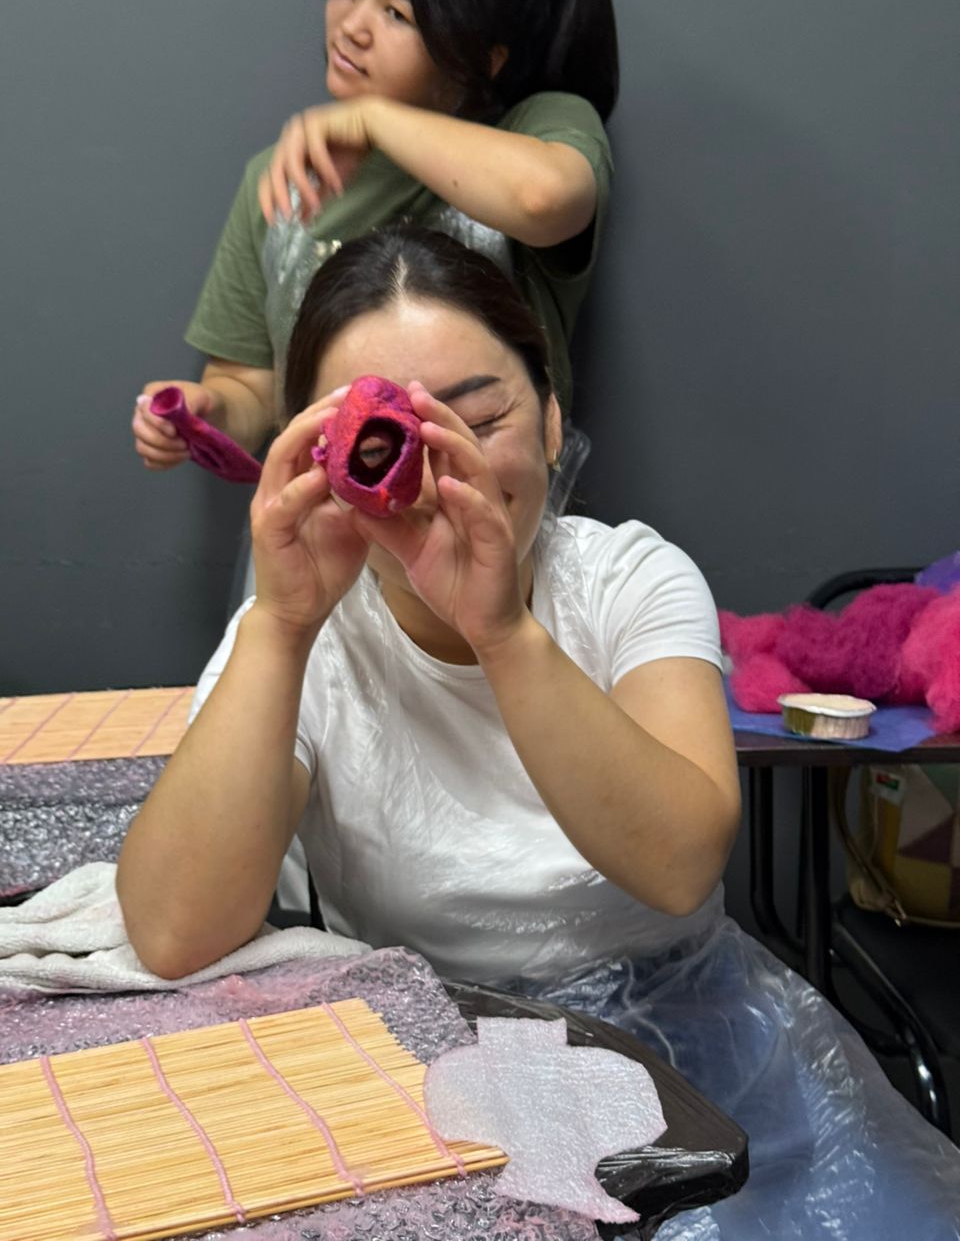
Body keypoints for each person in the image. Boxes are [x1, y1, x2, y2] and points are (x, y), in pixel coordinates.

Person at [117, 225, 960, 1241]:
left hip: (699, 1064)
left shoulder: (629, 581)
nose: (436, 466)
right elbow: (176, 931)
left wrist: (501, 630)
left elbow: (679, 863)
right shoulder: (306, 632)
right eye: (379, 440)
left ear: (554, 421)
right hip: (434, 1069)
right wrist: (283, 623)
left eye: (478, 418)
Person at [131, 0, 618, 474]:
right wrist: (211, 413)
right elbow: (253, 387)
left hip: (485, 513)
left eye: (396, 13)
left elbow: (543, 198)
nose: (352, 27)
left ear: (480, 57)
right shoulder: (281, 175)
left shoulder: (536, 132)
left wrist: (372, 118)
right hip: (326, 518)